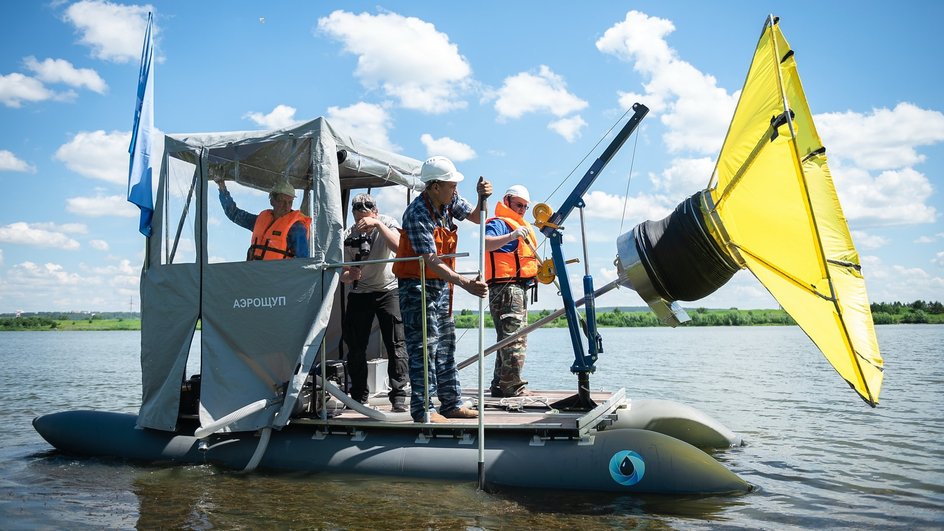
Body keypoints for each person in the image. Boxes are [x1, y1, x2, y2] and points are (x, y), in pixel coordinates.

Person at [393, 156, 491, 423]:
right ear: (434, 186)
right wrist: (465, 283)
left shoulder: (450, 203)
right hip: (417, 288)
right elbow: (430, 259)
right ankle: (423, 409)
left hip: (442, 286)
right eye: (451, 184)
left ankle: (451, 404)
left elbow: (475, 217)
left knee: (446, 346)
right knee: (423, 348)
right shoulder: (417, 213)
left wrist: (482, 199)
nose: (455, 189)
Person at [339, 193, 409, 412]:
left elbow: (400, 248)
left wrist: (377, 225)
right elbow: (344, 274)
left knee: (396, 344)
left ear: (375, 211)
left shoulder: (386, 222)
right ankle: (359, 397)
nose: (362, 217)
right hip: (361, 292)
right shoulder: (348, 234)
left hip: (388, 290)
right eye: (357, 213)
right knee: (355, 348)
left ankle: (398, 397)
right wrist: (351, 275)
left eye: (366, 213)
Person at [483, 185, 539, 397]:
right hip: (507, 289)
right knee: (515, 339)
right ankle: (513, 387)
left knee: (506, 339)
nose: (522, 210)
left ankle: (499, 384)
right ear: (507, 201)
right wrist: (513, 234)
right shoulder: (500, 224)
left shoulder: (519, 225)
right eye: (518, 205)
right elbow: (485, 243)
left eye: (525, 207)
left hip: (518, 288)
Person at [215, 179, 310, 260]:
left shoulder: (297, 228)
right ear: (272, 201)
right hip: (254, 277)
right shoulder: (260, 221)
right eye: (282, 201)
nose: (286, 206)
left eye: (290, 202)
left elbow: (303, 262)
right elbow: (234, 213)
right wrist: (221, 185)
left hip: (279, 279)